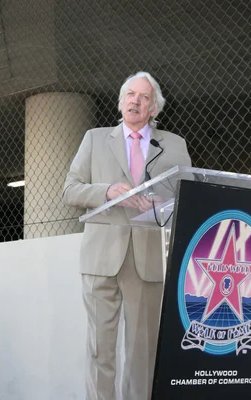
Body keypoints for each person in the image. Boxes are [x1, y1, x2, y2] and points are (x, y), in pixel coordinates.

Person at [62, 71, 192, 400]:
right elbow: (70, 190)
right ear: (121, 102)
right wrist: (106, 191)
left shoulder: (174, 145)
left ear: (154, 109)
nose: (135, 100)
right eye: (130, 94)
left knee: (142, 356)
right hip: (100, 258)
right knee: (99, 351)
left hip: (148, 260)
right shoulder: (94, 138)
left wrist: (162, 202)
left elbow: (188, 195)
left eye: (144, 97)